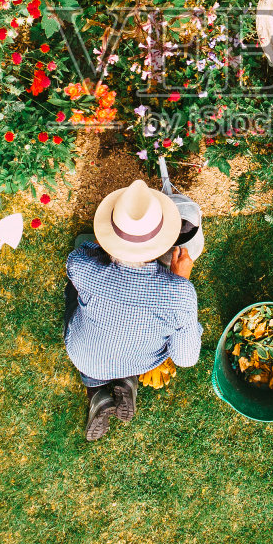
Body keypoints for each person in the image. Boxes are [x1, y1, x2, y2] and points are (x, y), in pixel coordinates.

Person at [64, 179, 202, 441]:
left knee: (74, 293)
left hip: (85, 355)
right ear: (163, 243)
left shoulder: (86, 269)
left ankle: (96, 391)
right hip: (140, 360)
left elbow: (78, 255)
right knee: (130, 341)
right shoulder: (179, 294)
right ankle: (127, 379)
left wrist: (103, 244)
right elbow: (186, 358)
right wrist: (181, 283)